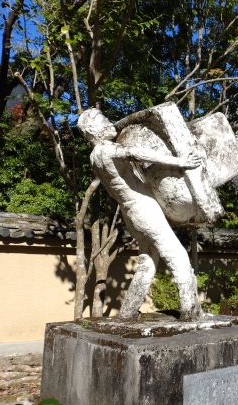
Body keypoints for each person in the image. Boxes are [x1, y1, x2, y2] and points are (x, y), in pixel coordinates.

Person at [78, 108, 203, 321]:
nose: (108, 121)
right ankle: (191, 311)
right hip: (144, 208)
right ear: (92, 131)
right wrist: (179, 162)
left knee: (147, 261)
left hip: (131, 214)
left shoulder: (93, 157)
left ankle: (127, 311)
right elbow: (134, 153)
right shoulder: (106, 151)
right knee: (178, 256)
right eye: (102, 120)